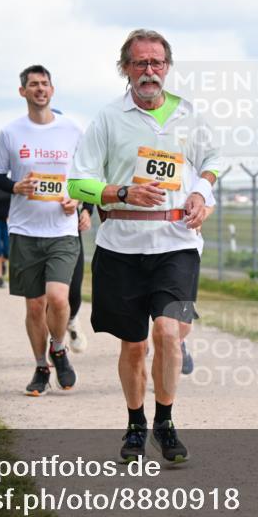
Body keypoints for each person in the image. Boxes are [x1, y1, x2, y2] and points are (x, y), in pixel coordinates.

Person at [68, 29, 222, 464]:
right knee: (134, 345)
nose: (149, 71)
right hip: (122, 245)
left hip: (177, 243)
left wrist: (200, 194)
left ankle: (165, 423)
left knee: (168, 332)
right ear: (125, 68)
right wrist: (122, 193)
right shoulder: (108, 118)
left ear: (167, 67)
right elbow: (77, 182)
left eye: (156, 62)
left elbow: (212, 161)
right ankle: (136, 424)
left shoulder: (188, 114)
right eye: (140, 63)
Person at [0, 64, 81, 396]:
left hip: (62, 230)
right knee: (34, 306)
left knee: (58, 299)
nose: (40, 89)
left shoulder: (72, 130)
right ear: (22, 91)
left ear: (52, 90)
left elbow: (86, 175)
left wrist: (78, 201)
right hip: (25, 230)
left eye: (45, 83)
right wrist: (15, 187)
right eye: (33, 84)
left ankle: (59, 347)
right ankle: (42, 366)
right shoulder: (10, 132)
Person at [64, 202, 93, 352]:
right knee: (47, 295)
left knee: (74, 289)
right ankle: (56, 346)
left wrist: (87, 210)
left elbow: (88, 188)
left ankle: (71, 319)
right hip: (37, 231)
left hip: (70, 230)